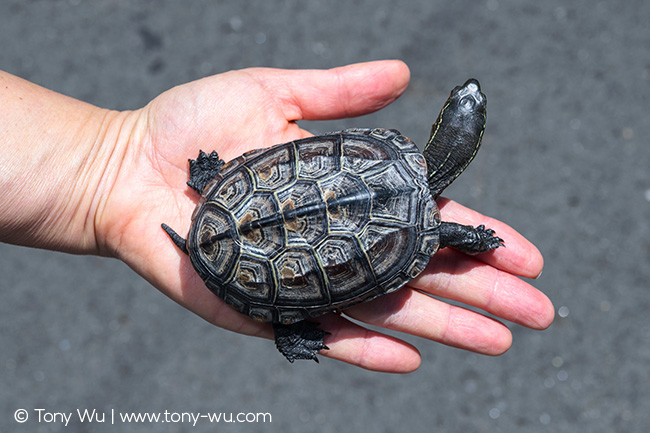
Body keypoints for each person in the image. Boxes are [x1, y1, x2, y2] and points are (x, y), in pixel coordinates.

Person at [0, 60, 553, 373]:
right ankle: (284, 326)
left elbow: (441, 235)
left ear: (446, 129)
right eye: (466, 100)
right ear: (464, 146)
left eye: (464, 102)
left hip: (229, 200)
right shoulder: (417, 219)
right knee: (310, 276)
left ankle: (209, 186)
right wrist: (478, 239)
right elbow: (445, 237)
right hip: (247, 241)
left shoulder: (385, 150)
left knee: (298, 194)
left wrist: (118, 163)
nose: (467, 95)